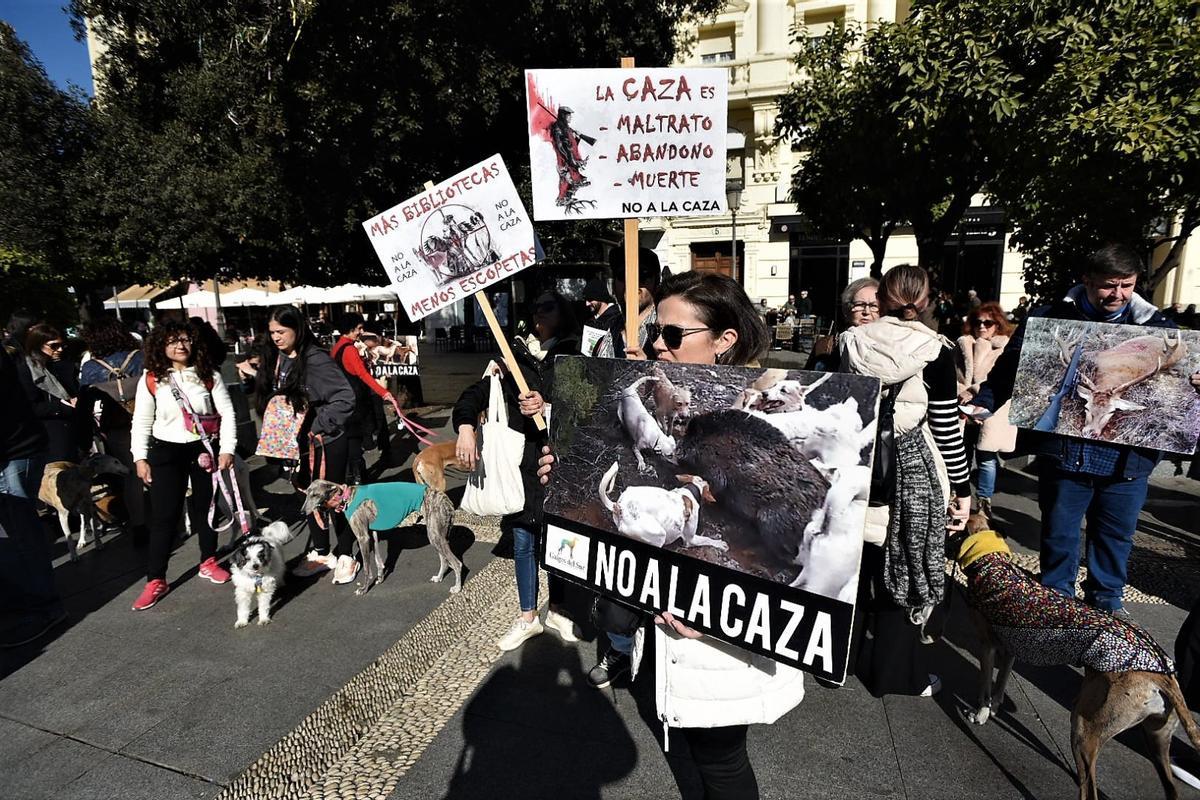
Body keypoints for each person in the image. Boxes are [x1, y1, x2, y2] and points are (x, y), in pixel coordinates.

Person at [591, 270, 799, 799]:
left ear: (724, 341)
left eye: (672, 334)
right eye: (654, 330)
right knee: (690, 752)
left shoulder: (764, 413)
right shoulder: (672, 403)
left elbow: (783, 541)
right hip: (661, 618)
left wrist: (722, 614)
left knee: (721, 760)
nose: (657, 343)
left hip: (724, 634)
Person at [971, 244, 1200, 616]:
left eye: (1126, 285)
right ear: (1087, 280)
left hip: (1128, 463)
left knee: (1114, 541)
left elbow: (1177, 392)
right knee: (1059, 537)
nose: (1118, 294)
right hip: (1064, 457)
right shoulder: (1049, 318)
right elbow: (1008, 371)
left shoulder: (1162, 330)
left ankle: (1106, 615)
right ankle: (1055, 613)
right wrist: (986, 400)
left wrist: (1194, 385)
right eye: (1109, 285)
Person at [839, 264, 972, 697]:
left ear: (884, 300)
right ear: (927, 299)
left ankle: (837, 661)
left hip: (858, 465)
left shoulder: (852, 343)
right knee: (906, 570)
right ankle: (893, 674)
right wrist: (962, 489)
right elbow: (948, 430)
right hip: (913, 473)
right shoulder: (936, 350)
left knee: (853, 570)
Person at [454, 291, 581, 650]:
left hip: (558, 458)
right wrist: (465, 425)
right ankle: (528, 617)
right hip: (519, 462)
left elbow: (585, 404)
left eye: (548, 306)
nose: (540, 313)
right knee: (524, 539)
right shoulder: (512, 355)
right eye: (535, 307)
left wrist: (548, 404)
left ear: (562, 312)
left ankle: (557, 608)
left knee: (558, 541)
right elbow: (476, 394)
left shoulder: (572, 352)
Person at [240, 305, 356, 582]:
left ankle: (347, 555)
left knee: (333, 498)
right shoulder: (277, 359)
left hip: (325, 443)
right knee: (306, 497)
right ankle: (321, 552)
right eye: (272, 333)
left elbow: (345, 397)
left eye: (281, 331)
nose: (276, 337)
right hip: (297, 447)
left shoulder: (315, 360)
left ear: (297, 329)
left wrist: (316, 426)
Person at [130, 320, 237, 611]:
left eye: (186, 340)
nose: (180, 345)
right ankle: (156, 579)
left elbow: (227, 413)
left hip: (203, 449)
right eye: (173, 340)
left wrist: (227, 449)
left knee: (207, 509)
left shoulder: (208, 375)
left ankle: (208, 560)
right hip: (165, 451)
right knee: (165, 515)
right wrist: (140, 458)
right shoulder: (152, 378)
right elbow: (141, 421)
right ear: (161, 346)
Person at [0, 345, 65, 647]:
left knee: (22, 532)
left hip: (14, 451)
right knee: (16, 532)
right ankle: (29, 599)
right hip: (15, 449)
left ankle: (45, 607)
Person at [79, 317, 148, 541]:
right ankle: (168, 517)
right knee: (157, 468)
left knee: (131, 476)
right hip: (149, 418)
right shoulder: (139, 356)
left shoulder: (91, 368)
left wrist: (84, 436)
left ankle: (139, 524)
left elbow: (85, 404)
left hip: (117, 425)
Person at [954, 303, 1017, 518]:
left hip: (990, 411)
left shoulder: (1005, 348)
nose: (982, 326)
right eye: (977, 322)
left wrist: (976, 393)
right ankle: (958, 497)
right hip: (963, 408)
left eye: (988, 323)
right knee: (961, 455)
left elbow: (1001, 381)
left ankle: (984, 503)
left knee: (987, 458)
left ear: (997, 325)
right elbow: (953, 376)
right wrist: (962, 392)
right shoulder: (962, 345)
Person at [331, 312, 394, 484]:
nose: (361, 331)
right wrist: (384, 392)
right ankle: (358, 479)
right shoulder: (350, 349)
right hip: (356, 402)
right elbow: (363, 375)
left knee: (349, 440)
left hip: (342, 400)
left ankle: (352, 476)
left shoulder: (337, 347)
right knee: (355, 442)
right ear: (350, 329)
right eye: (359, 328)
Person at [19, 324, 88, 463]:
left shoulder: (58, 365)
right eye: (54, 346)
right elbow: (29, 406)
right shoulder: (27, 370)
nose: (59, 350)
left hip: (69, 429)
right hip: (48, 433)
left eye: (62, 345)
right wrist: (61, 406)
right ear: (38, 345)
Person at [596, 245, 662, 359]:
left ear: (655, 284)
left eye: (641, 275)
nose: (631, 282)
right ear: (614, 285)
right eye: (623, 275)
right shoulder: (603, 330)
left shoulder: (664, 336)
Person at [804, 278, 879, 373]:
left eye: (874, 306)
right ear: (847, 309)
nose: (866, 312)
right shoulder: (825, 346)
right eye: (860, 304)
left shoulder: (891, 346)